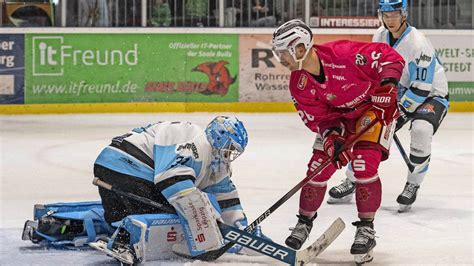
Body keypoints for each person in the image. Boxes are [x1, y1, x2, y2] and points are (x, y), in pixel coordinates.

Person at [22, 116, 266, 263]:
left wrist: (242, 230)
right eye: (228, 148)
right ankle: (125, 241)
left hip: (120, 171)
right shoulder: (194, 142)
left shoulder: (218, 165)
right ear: (216, 138)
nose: (229, 155)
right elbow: (173, 184)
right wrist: (203, 216)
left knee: (120, 217)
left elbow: (228, 201)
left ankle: (57, 224)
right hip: (125, 167)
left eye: (234, 151)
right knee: (173, 214)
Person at [271, 19, 404, 264]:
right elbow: (319, 118)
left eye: (282, 53)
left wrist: (388, 87)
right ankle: (303, 223)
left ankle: (366, 228)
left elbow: (388, 57)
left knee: (364, 164)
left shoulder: (344, 54)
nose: (280, 59)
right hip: (339, 118)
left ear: (299, 48)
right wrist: (332, 138)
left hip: (373, 110)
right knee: (317, 169)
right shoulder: (298, 83)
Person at [327, 0, 449, 213]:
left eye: (394, 14)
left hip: (431, 95)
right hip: (399, 93)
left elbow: (421, 87)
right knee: (367, 127)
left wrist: (400, 113)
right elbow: (376, 71)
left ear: (404, 14)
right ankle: (353, 178)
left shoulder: (419, 44)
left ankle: (413, 183)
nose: (390, 19)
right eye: (386, 14)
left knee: (421, 130)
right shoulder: (380, 35)